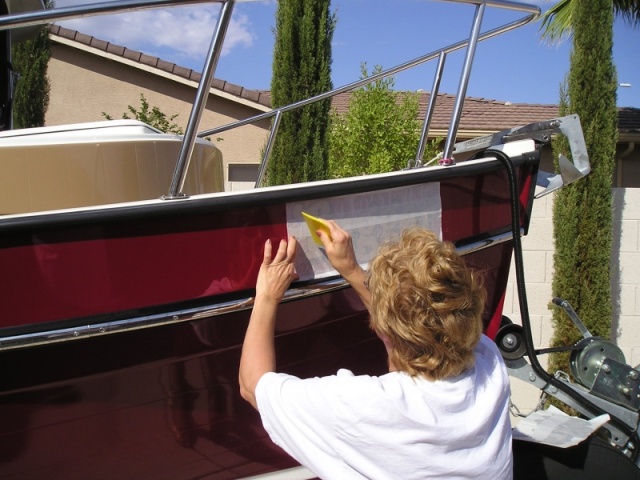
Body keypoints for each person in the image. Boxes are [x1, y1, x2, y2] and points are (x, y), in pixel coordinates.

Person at [239, 220, 513, 479]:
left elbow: (252, 386)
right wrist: (352, 270)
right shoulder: (488, 363)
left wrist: (266, 295)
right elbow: (413, 328)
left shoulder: (367, 406)